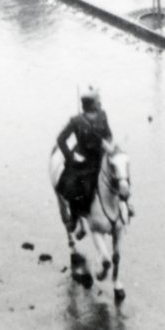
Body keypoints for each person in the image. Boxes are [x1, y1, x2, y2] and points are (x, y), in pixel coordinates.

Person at [55, 89, 114, 238]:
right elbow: (61, 139)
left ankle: (124, 204)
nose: (100, 103)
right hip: (83, 161)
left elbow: (108, 134)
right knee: (74, 187)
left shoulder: (102, 116)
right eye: (97, 101)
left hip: (100, 156)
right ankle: (75, 217)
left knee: (118, 173)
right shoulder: (76, 121)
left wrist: (107, 144)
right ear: (92, 104)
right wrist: (70, 157)